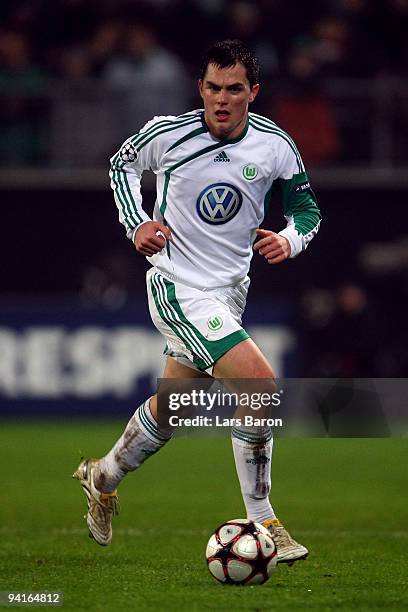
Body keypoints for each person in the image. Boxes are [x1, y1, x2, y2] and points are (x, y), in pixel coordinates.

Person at [73, 39, 321, 564]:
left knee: (174, 409)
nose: (222, 99)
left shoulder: (276, 145)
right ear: (200, 88)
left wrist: (290, 238)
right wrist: (136, 223)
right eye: (213, 87)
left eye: (234, 89)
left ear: (254, 92)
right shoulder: (168, 134)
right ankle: (264, 520)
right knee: (260, 388)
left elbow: (307, 210)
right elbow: (121, 166)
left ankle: (103, 476)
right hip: (177, 285)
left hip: (230, 292)